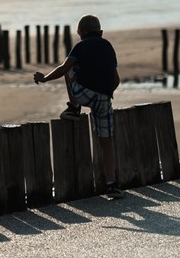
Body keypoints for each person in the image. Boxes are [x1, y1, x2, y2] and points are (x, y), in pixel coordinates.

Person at [33, 15, 124, 198]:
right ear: (101, 32)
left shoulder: (80, 46)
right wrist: (104, 94)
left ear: (79, 33)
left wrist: (44, 78)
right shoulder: (108, 46)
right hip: (105, 99)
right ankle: (112, 185)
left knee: (70, 68)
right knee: (107, 143)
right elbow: (116, 80)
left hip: (83, 95)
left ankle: (74, 107)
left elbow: (62, 69)